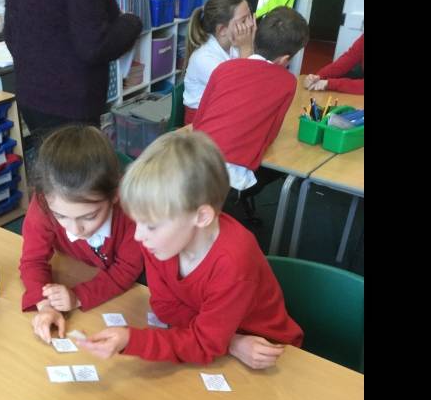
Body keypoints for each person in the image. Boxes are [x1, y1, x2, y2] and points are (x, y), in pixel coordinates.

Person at [76, 131, 303, 369]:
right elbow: (165, 307)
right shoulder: (160, 243)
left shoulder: (233, 262)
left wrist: (131, 339)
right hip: (218, 342)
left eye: (151, 225)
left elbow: (204, 344)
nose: (138, 236)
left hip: (266, 351)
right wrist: (230, 342)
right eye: (137, 222)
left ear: (201, 217)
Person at [19, 125, 144, 344]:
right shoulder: (43, 204)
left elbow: (126, 270)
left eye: (89, 217)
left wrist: (78, 296)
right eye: (61, 216)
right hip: (80, 268)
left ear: (115, 195)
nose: (75, 229)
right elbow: (33, 260)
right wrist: (46, 305)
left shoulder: (133, 210)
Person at [193, 6, 309, 222]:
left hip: (192, 159)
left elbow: (199, 120)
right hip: (228, 181)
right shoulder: (287, 82)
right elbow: (270, 134)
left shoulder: (225, 68)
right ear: (285, 59)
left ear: (255, 36)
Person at [4, 0, 142, 134]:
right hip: (72, 103)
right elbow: (95, 47)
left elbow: (10, 35)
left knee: (45, 149)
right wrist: (132, 23)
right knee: (79, 150)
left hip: (30, 95)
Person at [182, 0, 256, 126]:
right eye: (244, 20)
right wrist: (247, 47)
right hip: (199, 125)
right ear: (222, 30)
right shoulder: (204, 59)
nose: (251, 24)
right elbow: (243, 92)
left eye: (250, 16)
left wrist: (246, 48)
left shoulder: (233, 47)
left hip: (223, 113)